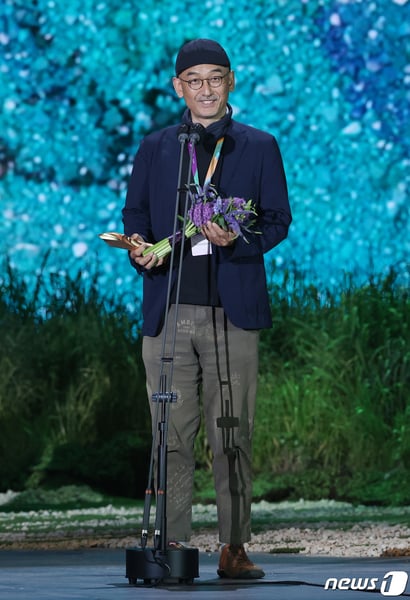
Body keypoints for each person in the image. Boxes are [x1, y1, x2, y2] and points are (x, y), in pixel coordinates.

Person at [122, 38, 291, 579]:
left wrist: (237, 239)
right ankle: (172, 546)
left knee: (231, 435)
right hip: (168, 312)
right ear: (179, 88)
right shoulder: (157, 146)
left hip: (231, 313)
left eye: (214, 78)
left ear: (230, 81)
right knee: (170, 436)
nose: (205, 89)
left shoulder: (258, 145)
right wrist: (138, 247)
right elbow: (136, 213)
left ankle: (234, 547)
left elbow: (278, 219)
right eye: (193, 80)